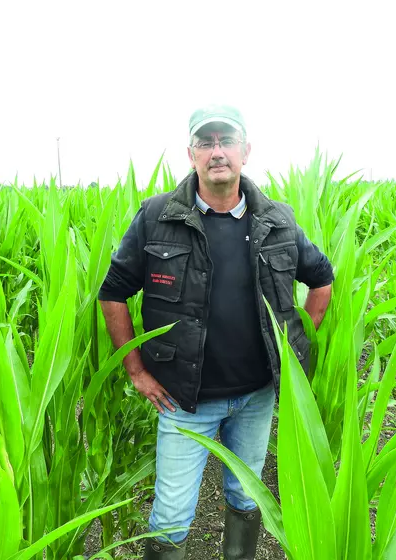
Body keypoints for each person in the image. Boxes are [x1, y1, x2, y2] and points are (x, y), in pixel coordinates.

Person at [98, 104, 334, 559]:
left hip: (256, 395)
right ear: (191, 155)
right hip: (185, 398)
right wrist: (136, 371)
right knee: (170, 517)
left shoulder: (278, 220)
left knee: (247, 499)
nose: (217, 151)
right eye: (205, 142)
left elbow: (321, 277)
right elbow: (113, 293)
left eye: (226, 141)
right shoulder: (156, 217)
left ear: (246, 151)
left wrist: (299, 341)